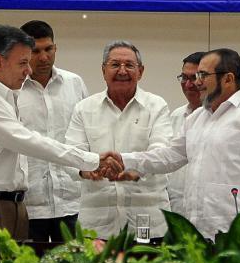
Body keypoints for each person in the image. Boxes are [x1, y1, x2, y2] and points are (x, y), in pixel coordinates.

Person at [0, 25, 118, 242]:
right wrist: (91, 160)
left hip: (14, 205)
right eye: (23, 63)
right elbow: (30, 142)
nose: (29, 70)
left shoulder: (9, 95)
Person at [106, 48, 240, 240]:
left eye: (203, 75)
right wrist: (122, 159)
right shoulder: (196, 119)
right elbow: (168, 157)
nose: (197, 82)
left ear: (228, 79)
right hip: (197, 234)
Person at [65, 40, 173, 238]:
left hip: (148, 219)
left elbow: (162, 152)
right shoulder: (84, 108)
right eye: (115, 64)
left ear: (140, 71)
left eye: (129, 65)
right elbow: (71, 155)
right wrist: (88, 170)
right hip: (96, 224)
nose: (122, 71)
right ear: (103, 70)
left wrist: (132, 168)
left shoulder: (157, 106)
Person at [18, 20, 88, 242]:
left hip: (72, 201)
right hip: (31, 203)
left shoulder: (74, 83)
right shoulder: (13, 88)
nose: (44, 57)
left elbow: (87, 134)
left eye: (48, 49)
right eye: (36, 51)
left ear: (55, 48)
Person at [166, 51, 205, 216]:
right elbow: (168, 158)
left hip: (212, 218)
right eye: (184, 78)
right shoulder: (176, 116)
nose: (188, 84)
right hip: (177, 212)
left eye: (194, 78)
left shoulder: (229, 118)